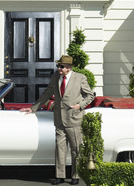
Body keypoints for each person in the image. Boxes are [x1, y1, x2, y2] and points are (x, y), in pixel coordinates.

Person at [20, 55, 95, 185]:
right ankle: (60, 176)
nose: (58, 68)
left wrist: (80, 105)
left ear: (69, 68)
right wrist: (33, 108)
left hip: (73, 117)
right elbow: (47, 93)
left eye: (61, 66)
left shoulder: (80, 78)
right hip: (59, 118)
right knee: (60, 148)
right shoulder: (55, 77)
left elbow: (90, 95)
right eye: (58, 66)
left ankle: (75, 176)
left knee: (75, 149)